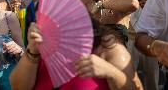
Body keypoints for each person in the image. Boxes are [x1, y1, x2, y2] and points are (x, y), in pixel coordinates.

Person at [10, 21, 143, 90]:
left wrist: (111, 72)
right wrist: (32, 51)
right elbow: (18, 87)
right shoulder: (42, 47)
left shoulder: (107, 48)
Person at [122, 0, 161, 90]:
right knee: (128, 84)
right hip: (128, 42)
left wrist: (154, 2)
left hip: (151, 40)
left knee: (153, 84)